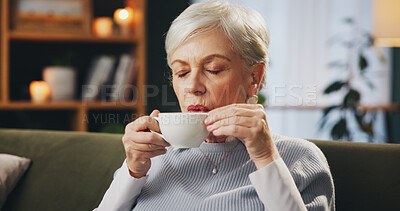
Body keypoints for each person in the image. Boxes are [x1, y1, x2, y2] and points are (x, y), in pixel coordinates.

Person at [96, 1, 335, 210]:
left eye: (213, 70)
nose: (193, 86)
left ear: (254, 77)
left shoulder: (298, 158)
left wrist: (265, 157)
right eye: (182, 72)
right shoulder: (153, 157)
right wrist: (133, 172)